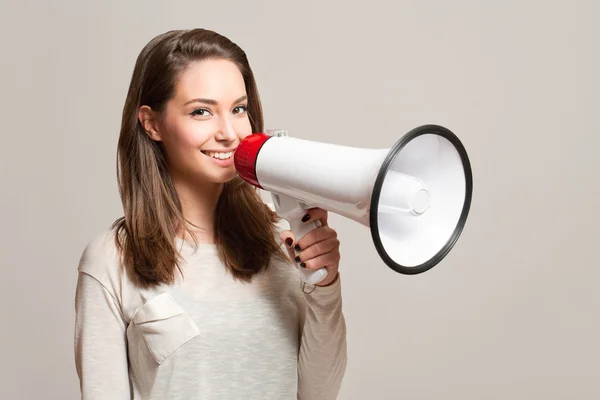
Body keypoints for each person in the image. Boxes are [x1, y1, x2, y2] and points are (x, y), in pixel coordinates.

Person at [73, 28, 347, 399]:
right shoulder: (111, 260)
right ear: (151, 123)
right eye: (202, 111)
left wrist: (324, 285)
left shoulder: (280, 243)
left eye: (238, 109)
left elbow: (319, 391)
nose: (229, 133)